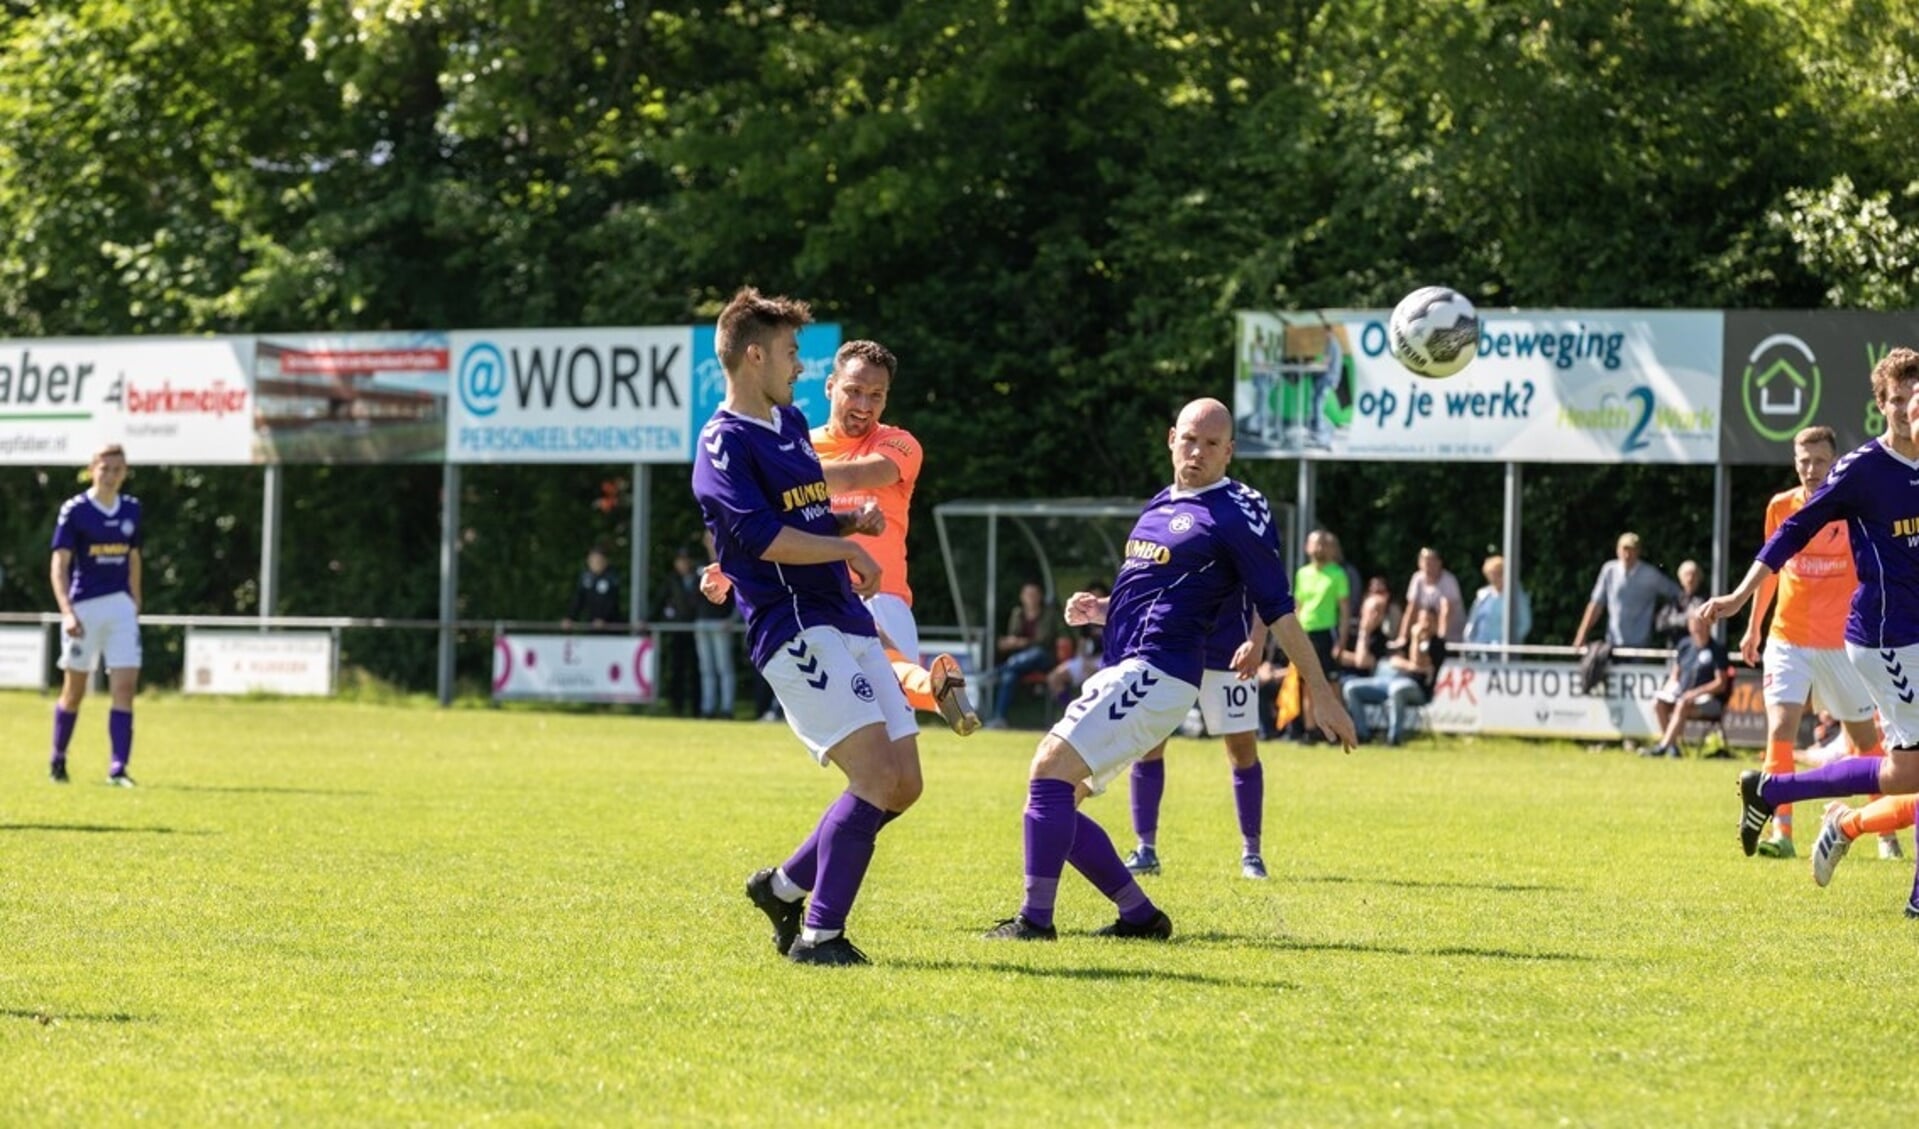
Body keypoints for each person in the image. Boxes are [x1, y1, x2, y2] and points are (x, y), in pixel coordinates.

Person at [982, 398, 1357, 943]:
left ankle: (1034, 922)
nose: (1197, 451)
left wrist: (1319, 690)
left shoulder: (1234, 514)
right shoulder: (1161, 503)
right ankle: (1138, 916)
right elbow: (1156, 594)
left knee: (1048, 773)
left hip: (1160, 674)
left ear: (1229, 451)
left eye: (1211, 444)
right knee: (1053, 798)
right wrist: (1101, 609)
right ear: (1170, 439)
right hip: (1127, 666)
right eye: (1189, 439)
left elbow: (1277, 606)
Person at [691, 286, 920, 966]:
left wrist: (848, 522)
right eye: (791, 352)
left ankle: (783, 885)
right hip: (793, 626)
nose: (797, 365)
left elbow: (805, 508)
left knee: (903, 782)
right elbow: (758, 535)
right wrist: (848, 548)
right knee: (875, 776)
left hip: (841, 611)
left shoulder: (787, 423)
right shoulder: (721, 442)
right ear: (754, 355)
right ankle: (819, 936)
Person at [1702, 347, 1919, 916]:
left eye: (1913, 399)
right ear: (1881, 406)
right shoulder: (1863, 470)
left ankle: (1781, 794)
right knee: (1907, 770)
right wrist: (1743, 593)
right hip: (1885, 638)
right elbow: (1792, 531)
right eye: (1894, 400)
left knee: (1904, 772)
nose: (1904, 409)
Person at [699, 339, 979, 735]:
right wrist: (731, 567)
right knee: (869, 752)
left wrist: (779, 473)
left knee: (893, 750)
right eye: (854, 390)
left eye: (876, 396)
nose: (864, 405)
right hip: (811, 599)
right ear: (830, 386)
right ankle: (927, 689)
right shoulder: (798, 445)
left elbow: (857, 475)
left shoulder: (899, 444)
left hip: (879, 594)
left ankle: (925, 688)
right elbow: (771, 527)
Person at [1734, 426, 1892, 858]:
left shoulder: (1850, 507)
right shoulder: (1781, 507)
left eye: (1819, 461)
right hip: (1787, 638)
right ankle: (1780, 833)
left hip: (1841, 644)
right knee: (1781, 729)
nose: (1810, 469)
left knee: (1865, 742)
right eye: (1803, 461)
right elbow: (1770, 567)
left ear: (1834, 462)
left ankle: (1884, 831)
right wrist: (1754, 627)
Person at [1123, 591, 1273, 881]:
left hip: (1231, 651)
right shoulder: (1170, 543)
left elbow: (1267, 586)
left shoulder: (1247, 542)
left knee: (1242, 751)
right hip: (1174, 647)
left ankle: (1252, 853)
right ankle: (1145, 850)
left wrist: (1256, 640)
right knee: (1150, 745)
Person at [49, 443, 144, 786]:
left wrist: (135, 601)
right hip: (84, 608)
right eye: (105, 468)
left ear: (125, 472)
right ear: (92, 469)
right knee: (74, 691)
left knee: (125, 686)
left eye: (118, 469)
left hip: (120, 607)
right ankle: (58, 759)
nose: (111, 474)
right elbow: (59, 563)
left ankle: (118, 768)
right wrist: (67, 612)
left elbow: (133, 557)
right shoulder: (75, 510)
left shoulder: (132, 509)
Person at [1342, 604, 1446, 747]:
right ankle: (1362, 734)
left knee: (1397, 690)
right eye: (1422, 620)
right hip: (1392, 681)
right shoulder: (1407, 640)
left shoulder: (1438, 644)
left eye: (1428, 621)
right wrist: (1412, 666)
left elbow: (1419, 661)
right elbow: (1394, 660)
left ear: (1436, 623)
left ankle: (1393, 739)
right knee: (1351, 688)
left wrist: (1416, 639)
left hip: (1418, 689)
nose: (1424, 625)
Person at [1639, 611, 1733, 759]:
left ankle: (1663, 747)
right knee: (1659, 703)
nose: (1698, 629)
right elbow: (1675, 675)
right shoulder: (1684, 646)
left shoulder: (1717, 650)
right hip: (1682, 697)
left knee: (1683, 703)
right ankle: (1673, 747)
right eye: (1694, 625)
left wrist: (1696, 693)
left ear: (1707, 626)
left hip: (1709, 701)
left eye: (1700, 625)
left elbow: (1720, 683)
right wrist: (1670, 690)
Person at [1572, 533, 1683, 654]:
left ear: (1638, 551)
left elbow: (1678, 594)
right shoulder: (1609, 570)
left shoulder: (1650, 575)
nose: (1627, 554)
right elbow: (1596, 604)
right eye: (1624, 549)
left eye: (1632, 550)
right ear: (1617, 550)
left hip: (1640, 645)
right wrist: (1582, 634)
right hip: (1612, 643)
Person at [986, 581, 1059, 729]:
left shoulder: (1048, 614)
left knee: (1034, 654)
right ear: (1022, 597)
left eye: (1033, 594)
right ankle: (999, 719)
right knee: (1009, 676)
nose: (1030, 598)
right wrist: (1011, 642)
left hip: (1044, 658)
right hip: (1021, 661)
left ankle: (994, 672)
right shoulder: (1017, 613)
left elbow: (1043, 641)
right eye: (1027, 595)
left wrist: (1020, 643)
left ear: (1040, 597)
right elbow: (1013, 636)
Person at [694, 530, 738, 718]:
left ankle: (727, 708)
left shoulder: (731, 561)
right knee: (706, 669)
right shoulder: (699, 565)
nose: (710, 542)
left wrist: (733, 620)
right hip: (702, 623)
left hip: (722, 623)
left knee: (724, 668)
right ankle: (708, 708)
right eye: (707, 539)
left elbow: (740, 596)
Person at [656, 546, 703, 717]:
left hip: (696, 630)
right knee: (677, 670)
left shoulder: (699, 578)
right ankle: (677, 707)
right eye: (680, 561)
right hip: (677, 631)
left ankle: (697, 709)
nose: (683, 564)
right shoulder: (671, 580)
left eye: (686, 560)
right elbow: (660, 601)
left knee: (696, 671)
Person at [1397, 547, 1464, 646]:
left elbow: (1446, 610)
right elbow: (1411, 608)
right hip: (1426, 637)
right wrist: (1402, 637)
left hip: (1451, 637)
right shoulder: (1417, 579)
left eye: (1432, 561)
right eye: (1424, 561)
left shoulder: (1449, 580)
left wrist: (1440, 639)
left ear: (1439, 562)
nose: (1428, 565)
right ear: (1419, 563)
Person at [1464, 554, 1532, 650]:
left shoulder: (1517, 596)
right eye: (1491, 574)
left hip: (1505, 651)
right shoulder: (1483, 595)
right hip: (1480, 649)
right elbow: (1472, 622)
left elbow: (1525, 624)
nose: (1495, 577)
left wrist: (1510, 643)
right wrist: (1470, 642)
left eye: (1499, 573)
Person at [562, 544, 621, 630]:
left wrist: (603, 619)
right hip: (591, 624)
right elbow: (579, 600)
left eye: (598, 561)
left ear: (605, 561)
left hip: (610, 625)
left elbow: (612, 602)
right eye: (592, 561)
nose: (595, 564)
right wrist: (570, 618)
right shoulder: (586, 578)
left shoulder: (611, 578)